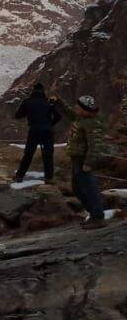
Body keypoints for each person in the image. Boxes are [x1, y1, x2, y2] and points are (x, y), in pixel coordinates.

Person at [58, 95, 108, 228]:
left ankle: (98, 217)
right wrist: (58, 102)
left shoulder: (92, 123)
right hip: (77, 158)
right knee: (78, 189)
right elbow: (69, 113)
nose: (75, 108)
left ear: (85, 108)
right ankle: (93, 214)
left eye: (78, 106)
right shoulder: (82, 118)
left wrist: (89, 163)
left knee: (88, 188)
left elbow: (96, 145)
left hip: (83, 160)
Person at [12, 83, 63, 183]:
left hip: (34, 130)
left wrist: (29, 112)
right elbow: (58, 116)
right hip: (47, 132)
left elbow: (18, 115)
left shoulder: (27, 101)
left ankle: (19, 176)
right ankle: (49, 178)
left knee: (28, 154)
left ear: (33, 91)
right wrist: (50, 124)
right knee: (48, 155)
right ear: (43, 91)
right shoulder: (48, 102)